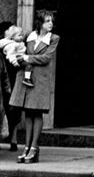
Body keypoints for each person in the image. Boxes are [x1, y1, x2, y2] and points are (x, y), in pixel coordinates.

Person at [10, 11, 59, 164]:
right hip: (27, 76)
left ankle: (34, 147)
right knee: (28, 113)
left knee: (37, 113)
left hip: (41, 79)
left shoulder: (54, 38)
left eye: (51, 21)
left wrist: (27, 58)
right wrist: (19, 58)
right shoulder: (29, 36)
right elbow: (20, 51)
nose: (50, 24)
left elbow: (46, 58)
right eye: (47, 21)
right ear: (40, 23)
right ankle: (27, 147)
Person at [0, 20, 21, 152]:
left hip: (13, 78)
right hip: (6, 79)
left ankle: (14, 139)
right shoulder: (3, 44)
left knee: (14, 109)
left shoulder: (16, 44)